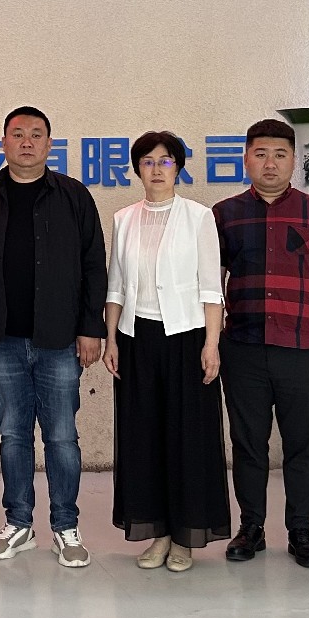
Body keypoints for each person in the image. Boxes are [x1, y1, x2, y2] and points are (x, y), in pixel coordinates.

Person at [0, 106, 107, 568]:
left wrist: (91, 327)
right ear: (3, 142)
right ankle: (19, 523)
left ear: (49, 144)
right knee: (12, 434)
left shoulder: (73, 196)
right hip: (2, 338)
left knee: (62, 436)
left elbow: (93, 266)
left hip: (59, 339)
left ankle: (65, 526)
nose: (27, 142)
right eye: (18, 134)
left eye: (36, 134)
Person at [214, 119, 309, 570]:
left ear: (293, 160)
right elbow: (212, 281)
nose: (269, 163)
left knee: (301, 444)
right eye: (260, 154)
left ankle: (301, 531)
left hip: (300, 345)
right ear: (246, 159)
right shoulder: (225, 214)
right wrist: (211, 340)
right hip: (243, 346)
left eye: (279, 154)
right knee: (247, 443)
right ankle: (250, 527)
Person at [103, 131, 230, 572]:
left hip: (187, 338)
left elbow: (211, 287)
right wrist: (112, 338)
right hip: (137, 339)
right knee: (144, 437)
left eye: (165, 161)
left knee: (187, 437)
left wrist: (212, 344)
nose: (156, 169)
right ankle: (157, 532)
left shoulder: (198, 217)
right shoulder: (124, 219)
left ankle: (185, 536)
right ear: (137, 169)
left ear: (178, 167)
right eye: (148, 161)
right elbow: (116, 285)